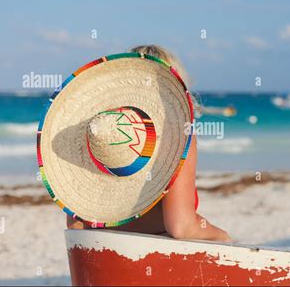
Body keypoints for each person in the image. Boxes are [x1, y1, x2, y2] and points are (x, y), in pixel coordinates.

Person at [67, 45, 232, 243]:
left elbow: (76, 225)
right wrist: (223, 237)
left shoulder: (101, 133)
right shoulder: (176, 134)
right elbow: (181, 227)